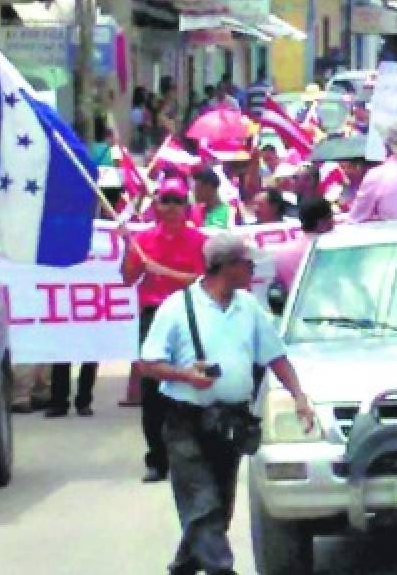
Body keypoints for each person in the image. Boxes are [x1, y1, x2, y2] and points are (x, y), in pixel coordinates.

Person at [140, 233, 314, 575]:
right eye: (247, 263)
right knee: (202, 504)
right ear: (227, 267)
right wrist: (186, 375)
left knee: (217, 506)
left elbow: (275, 355)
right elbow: (148, 363)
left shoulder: (248, 307)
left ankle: (184, 567)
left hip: (230, 423)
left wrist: (299, 396)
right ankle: (223, 569)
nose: (252, 270)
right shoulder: (177, 307)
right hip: (185, 421)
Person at [121, 177, 208, 482]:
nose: (170, 207)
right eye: (165, 200)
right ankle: (156, 458)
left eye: (176, 201)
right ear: (156, 205)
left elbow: (203, 281)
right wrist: (129, 253)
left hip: (187, 315)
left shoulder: (200, 241)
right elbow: (128, 279)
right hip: (153, 316)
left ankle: (192, 451)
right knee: (151, 389)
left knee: (193, 382)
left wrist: (167, 273)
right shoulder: (142, 241)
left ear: (186, 206)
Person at [273, 197, 334, 289]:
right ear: (323, 222)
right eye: (331, 217)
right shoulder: (332, 250)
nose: (333, 222)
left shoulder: (282, 253)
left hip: (297, 302)